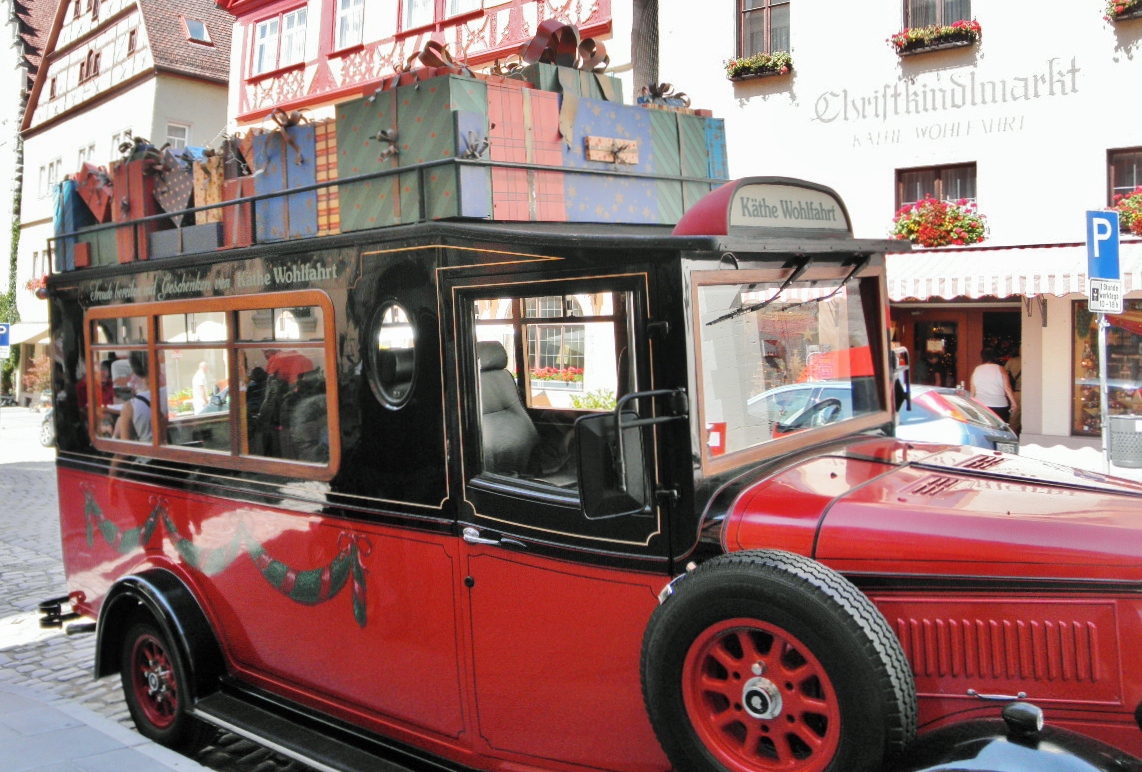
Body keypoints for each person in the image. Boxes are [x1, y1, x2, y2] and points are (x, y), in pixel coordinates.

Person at [971, 347, 1017, 424]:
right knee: (1000, 430)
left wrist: (971, 405)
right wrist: (1013, 402)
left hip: (981, 405)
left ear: (982, 357)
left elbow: (973, 391)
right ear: (995, 357)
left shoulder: (976, 370)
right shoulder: (1001, 369)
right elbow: (1007, 387)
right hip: (999, 405)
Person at [1004, 344, 1022, 434]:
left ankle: (1014, 442)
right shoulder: (1036, 361)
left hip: (1017, 394)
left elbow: (1004, 375)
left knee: (1014, 422)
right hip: (1033, 394)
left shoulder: (1012, 361)